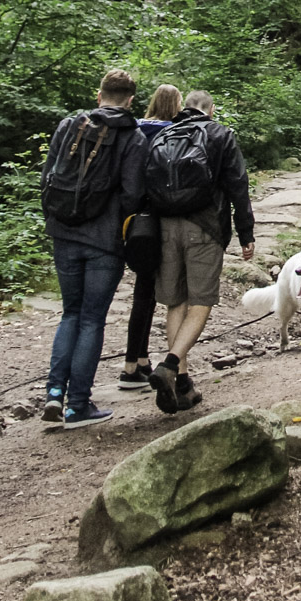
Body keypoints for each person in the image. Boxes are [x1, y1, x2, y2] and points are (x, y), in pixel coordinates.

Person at [40, 67, 147, 428]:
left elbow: (48, 176)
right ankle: (78, 406)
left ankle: (54, 393)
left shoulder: (70, 125)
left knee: (70, 313)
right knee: (91, 319)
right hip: (104, 241)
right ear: (130, 100)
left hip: (64, 232)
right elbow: (133, 193)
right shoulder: (133, 137)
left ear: (98, 95)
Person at [145, 88, 256, 414]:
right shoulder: (220, 134)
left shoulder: (164, 134)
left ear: (184, 108)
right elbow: (238, 184)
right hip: (204, 228)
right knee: (201, 301)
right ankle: (169, 365)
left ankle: (182, 384)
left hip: (165, 227)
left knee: (175, 301)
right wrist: (245, 232)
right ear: (211, 110)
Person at [117, 83, 182, 392]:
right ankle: (130, 366)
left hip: (134, 221)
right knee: (149, 294)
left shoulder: (136, 130)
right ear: (176, 105)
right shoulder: (174, 133)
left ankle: (140, 360)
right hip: (160, 219)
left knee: (142, 292)